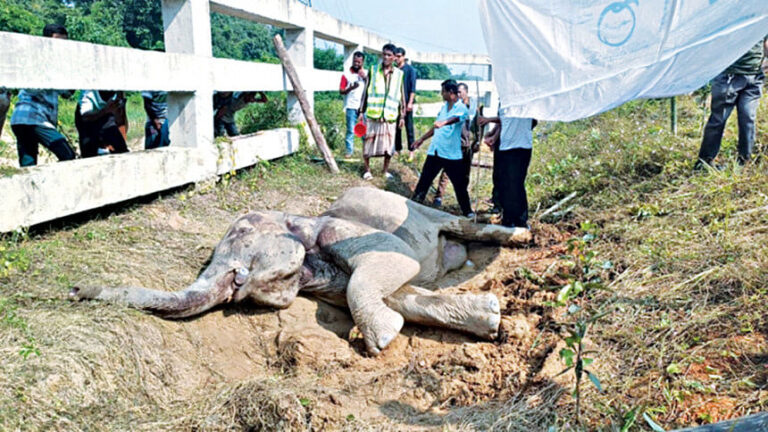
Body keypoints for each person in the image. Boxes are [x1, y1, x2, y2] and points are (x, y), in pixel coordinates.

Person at [10, 23, 77, 167]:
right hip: (31, 116)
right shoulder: (38, 60)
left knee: (28, 167)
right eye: (57, 43)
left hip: (23, 119)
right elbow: (33, 87)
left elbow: (66, 93)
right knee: (67, 155)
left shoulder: (56, 64)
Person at [696, 36, 768, 168]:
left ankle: (744, 162)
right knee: (718, 119)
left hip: (754, 77)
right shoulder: (734, 18)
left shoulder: (761, 19)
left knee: (748, 118)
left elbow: (765, 43)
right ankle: (704, 163)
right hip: (730, 77)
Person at [411, 80, 474, 217]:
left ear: (450, 93)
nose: (441, 94)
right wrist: (421, 139)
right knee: (425, 180)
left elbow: (457, 119)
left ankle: (468, 211)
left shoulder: (461, 108)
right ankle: (415, 204)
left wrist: (444, 122)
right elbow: (435, 127)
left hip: (451, 154)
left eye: (443, 91)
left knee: (459, 185)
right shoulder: (444, 107)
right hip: (436, 150)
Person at [478, 112, 536, 229]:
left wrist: (488, 119)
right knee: (504, 184)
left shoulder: (527, 103)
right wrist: (494, 135)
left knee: (516, 184)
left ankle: (520, 220)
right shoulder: (505, 104)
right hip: (506, 145)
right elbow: (504, 121)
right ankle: (508, 218)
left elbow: (533, 121)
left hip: (521, 146)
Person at [358, 43, 406, 180]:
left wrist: (402, 115)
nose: (385, 57)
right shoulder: (373, 70)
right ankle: (367, 170)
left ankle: (385, 170)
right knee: (368, 142)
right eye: (384, 54)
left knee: (389, 146)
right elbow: (365, 92)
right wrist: (361, 111)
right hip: (373, 114)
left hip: (389, 116)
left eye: (389, 55)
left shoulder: (399, 74)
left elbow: (402, 95)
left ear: (394, 58)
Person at [434, 82, 478, 207]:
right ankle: (439, 196)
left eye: (460, 92)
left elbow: (478, 126)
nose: (458, 94)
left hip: (467, 144)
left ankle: (462, 201)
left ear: (466, 93)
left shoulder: (473, 108)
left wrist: (477, 141)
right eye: (456, 92)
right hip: (454, 143)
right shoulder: (451, 107)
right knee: (446, 172)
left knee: (465, 173)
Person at [75, 90, 129, 158]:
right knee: (89, 155)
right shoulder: (88, 93)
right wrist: (105, 110)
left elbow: (120, 120)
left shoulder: (117, 92)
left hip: (107, 115)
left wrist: (117, 111)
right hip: (87, 120)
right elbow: (85, 117)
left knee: (121, 148)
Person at [339, 51, 367, 158]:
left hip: (363, 108)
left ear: (362, 62)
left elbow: (370, 88)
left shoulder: (366, 74)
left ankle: (366, 152)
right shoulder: (346, 74)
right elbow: (341, 91)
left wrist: (365, 78)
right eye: (355, 61)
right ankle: (349, 152)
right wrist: (351, 88)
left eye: (359, 62)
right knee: (350, 130)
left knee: (364, 131)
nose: (356, 63)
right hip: (350, 106)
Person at [394, 47, 417, 158]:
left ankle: (411, 151)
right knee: (396, 127)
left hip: (407, 101)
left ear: (403, 57)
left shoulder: (410, 70)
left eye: (399, 56)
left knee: (409, 127)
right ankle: (397, 149)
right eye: (396, 56)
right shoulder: (393, 70)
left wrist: (410, 103)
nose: (397, 59)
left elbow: (413, 88)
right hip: (395, 103)